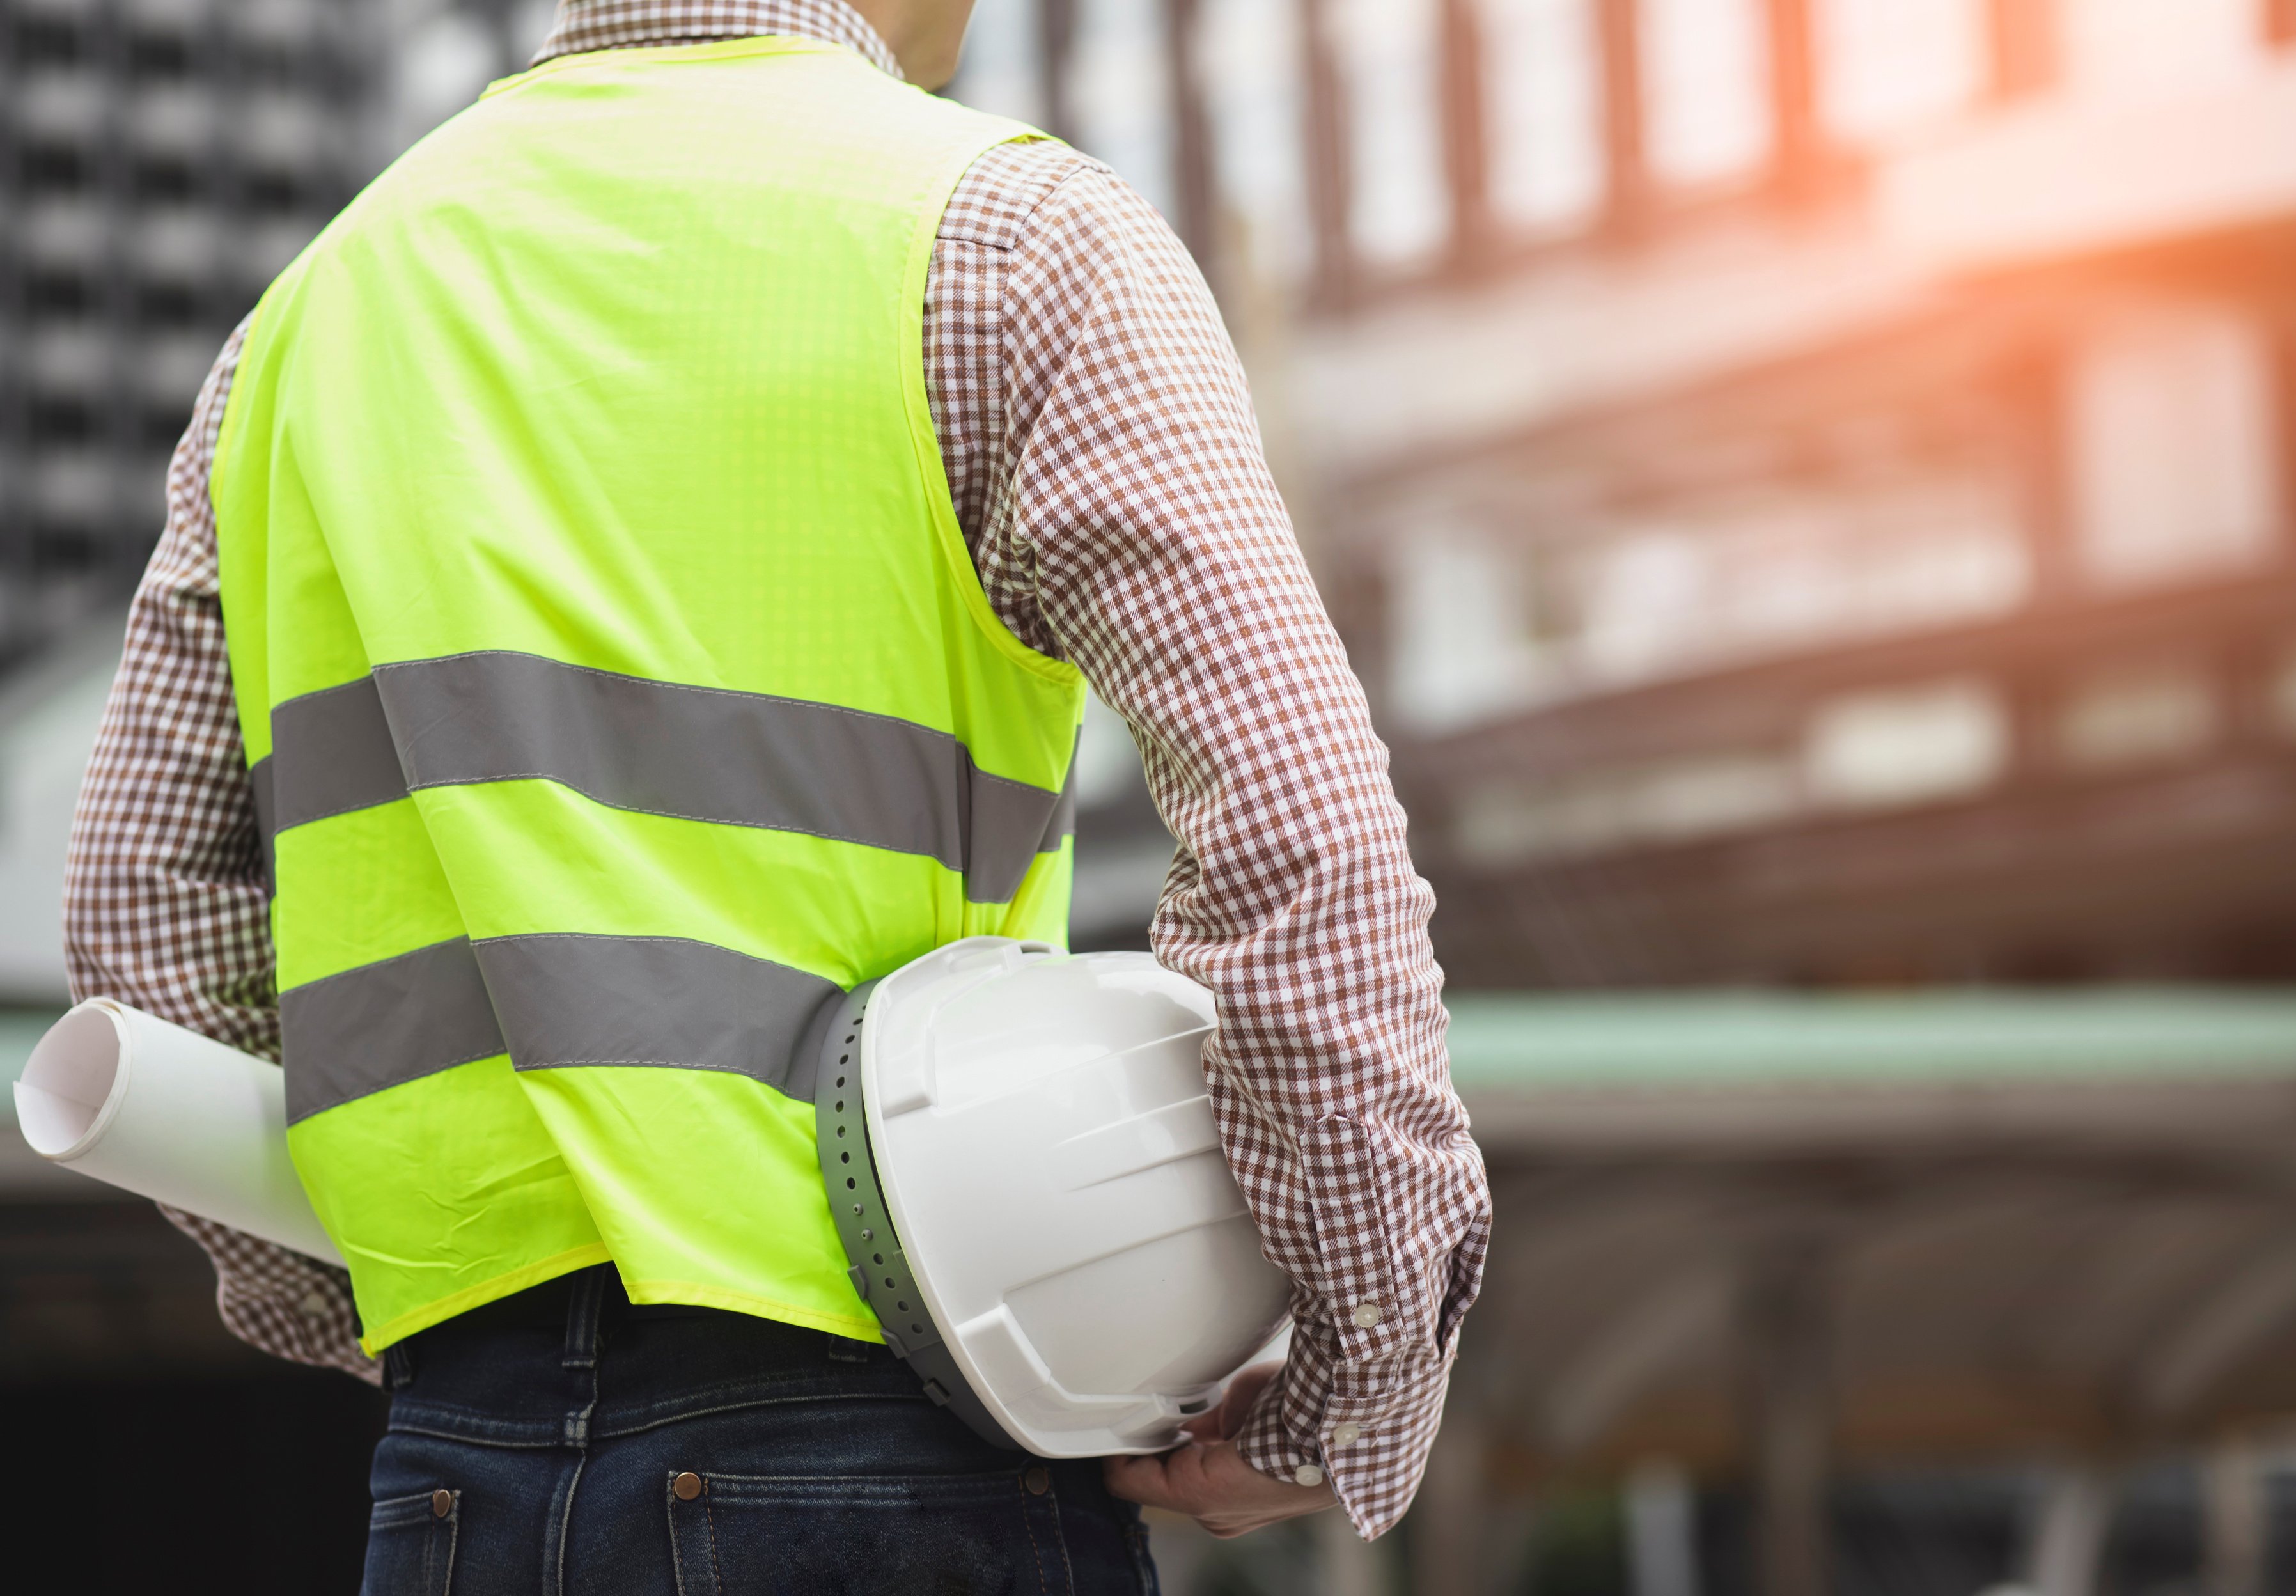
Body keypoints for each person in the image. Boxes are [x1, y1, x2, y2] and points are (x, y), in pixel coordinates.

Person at [63, 1, 1490, 1587]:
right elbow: (1306, 851)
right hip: (897, 1435)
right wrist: (1352, 1387)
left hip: (459, 1473)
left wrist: (399, 1303)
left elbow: (146, 926)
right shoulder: (1008, 238)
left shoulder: (310, 319)